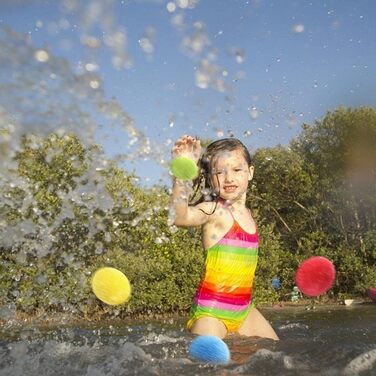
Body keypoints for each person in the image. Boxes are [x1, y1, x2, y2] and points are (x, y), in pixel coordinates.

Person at [170, 135, 279, 340]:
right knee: (211, 367)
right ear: (211, 178)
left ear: (250, 173)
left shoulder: (249, 216)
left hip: (244, 311)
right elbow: (180, 217)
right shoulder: (214, 211)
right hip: (211, 313)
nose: (228, 178)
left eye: (237, 170)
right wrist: (182, 173)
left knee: (277, 353)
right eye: (219, 172)